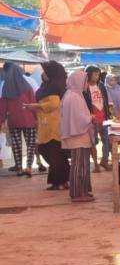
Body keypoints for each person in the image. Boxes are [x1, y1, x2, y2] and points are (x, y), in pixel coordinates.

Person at [25, 61, 70, 189]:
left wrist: (37, 106)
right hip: (46, 124)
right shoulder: (49, 85)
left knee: (53, 153)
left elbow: (53, 104)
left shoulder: (54, 86)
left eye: (45, 71)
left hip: (53, 125)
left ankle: (59, 182)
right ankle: (63, 180)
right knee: (53, 153)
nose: (43, 73)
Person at [60, 70, 94, 202]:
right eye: (85, 81)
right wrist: (90, 118)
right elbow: (80, 118)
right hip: (78, 135)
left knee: (82, 164)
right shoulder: (74, 97)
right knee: (78, 164)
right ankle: (77, 193)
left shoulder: (73, 94)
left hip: (78, 135)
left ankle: (83, 191)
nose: (86, 84)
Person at [0, 62, 38, 176]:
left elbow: (2, 108)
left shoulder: (5, 88)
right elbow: (33, 104)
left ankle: (19, 168)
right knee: (31, 144)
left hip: (13, 120)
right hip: (29, 119)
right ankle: (29, 167)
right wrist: (36, 119)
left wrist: (1, 121)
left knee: (16, 145)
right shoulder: (27, 87)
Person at [83, 65, 111, 172]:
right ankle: (96, 165)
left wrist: (108, 115)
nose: (97, 76)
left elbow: (106, 102)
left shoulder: (101, 86)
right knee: (92, 143)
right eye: (95, 74)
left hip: (104, 118)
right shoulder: (84, 87)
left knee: (107, 141)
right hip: (92, 120)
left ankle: (104, 160)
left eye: (98, 74)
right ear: (88, 74)